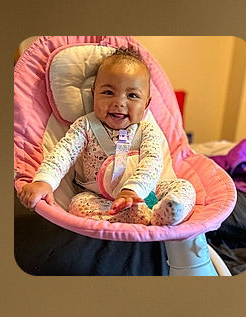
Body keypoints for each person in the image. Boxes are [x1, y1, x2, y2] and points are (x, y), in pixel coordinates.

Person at [17, 46, 196, 226]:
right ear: (94, 94)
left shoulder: (146, 130)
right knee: (77, 205)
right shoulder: (85, 126)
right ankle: (143, 218)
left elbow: (153, 162)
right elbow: (63, 154)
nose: (119, 103)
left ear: (146, 104)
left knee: (184, 187)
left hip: (147, 193)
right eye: (108, 92)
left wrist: (132, 190)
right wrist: (44, 181)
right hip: (99, 198)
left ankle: (168, 212)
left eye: (132, 95)